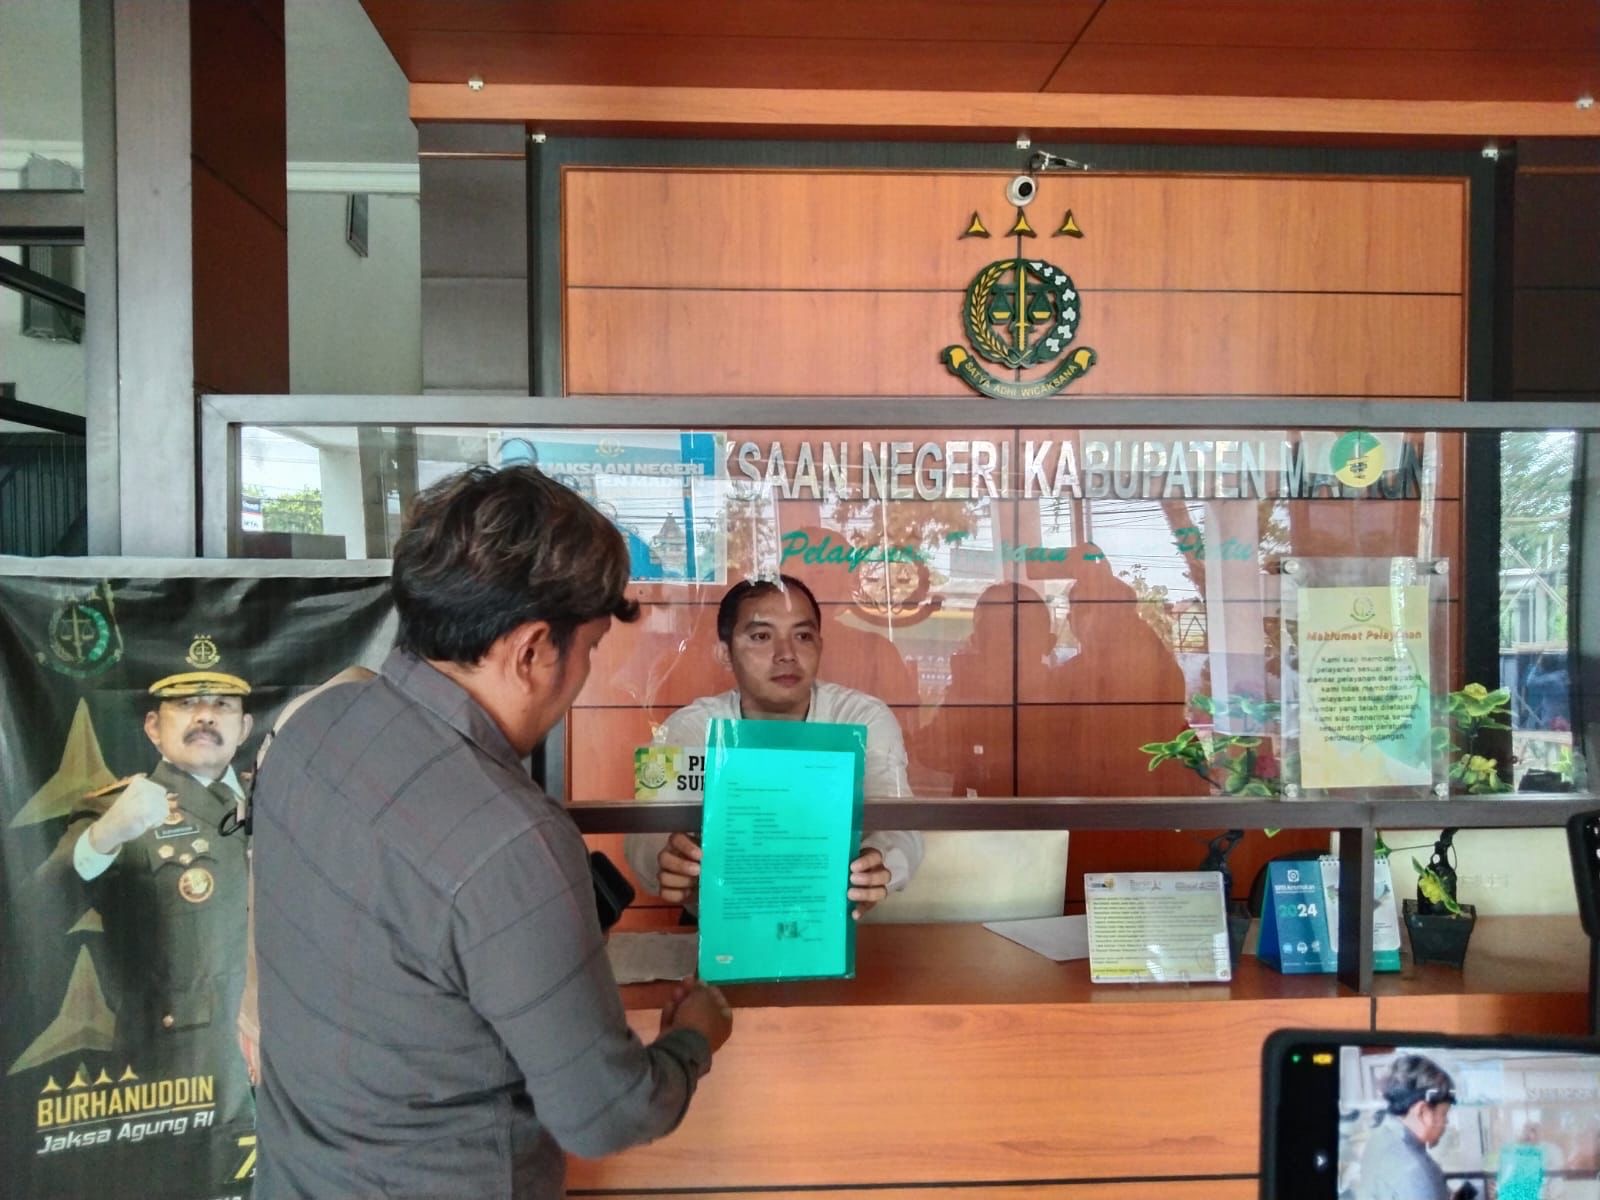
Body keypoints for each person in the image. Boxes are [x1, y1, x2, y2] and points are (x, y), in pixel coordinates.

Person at [251, 465, 732, 1200]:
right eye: (591, 647)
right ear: (533, 650)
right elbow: (606, 1115)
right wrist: (694, 1037)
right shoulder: (512, 840)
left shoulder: (311, 727)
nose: (585, 674)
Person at [625, 574, 924, 917]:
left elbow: (903, 825)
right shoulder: (689, 728)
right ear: (724, 653)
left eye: (802, 636)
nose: (786, 654)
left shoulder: (861, 718)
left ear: (820, 646)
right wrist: (669, 859)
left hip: (836, 920)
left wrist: (878, 862)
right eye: (761, 636)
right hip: (720, 925)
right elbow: (642, 836)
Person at [61, 641, 255, 1127]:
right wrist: (103, 837)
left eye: (222, 705)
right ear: (153, 727)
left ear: (245, 728)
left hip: (290, 1061)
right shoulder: (115, 810)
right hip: (175, 1073)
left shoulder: (281, 798)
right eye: (186, 703)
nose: (205, 716)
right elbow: (37, 909)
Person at [1357, 1054, 1474, 1200]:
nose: (1446, 1122)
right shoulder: (1415, 1171)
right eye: (1444, 1113)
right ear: (1422, 1111)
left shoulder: (1380, 1138)